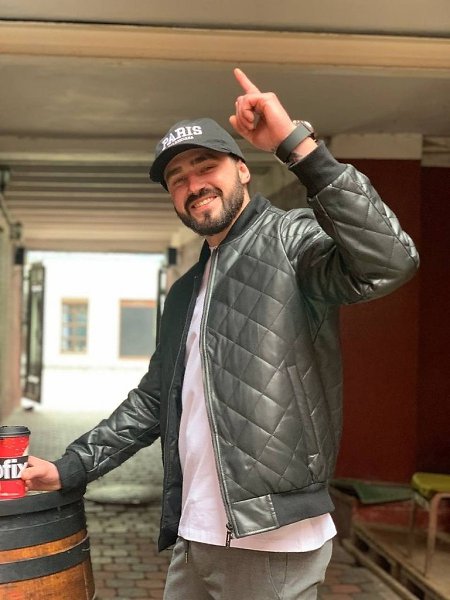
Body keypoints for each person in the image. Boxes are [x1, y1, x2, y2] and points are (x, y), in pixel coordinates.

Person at [22, 68, 419, 599]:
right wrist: (72, 466)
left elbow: (389, 261)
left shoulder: (291, 239)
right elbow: (155, 399)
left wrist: (298, 147)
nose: (193, 185)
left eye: (206, 166)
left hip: (272, 538)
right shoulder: (187, 289)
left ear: (243, 170)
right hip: (197, 533)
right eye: (177, 179)